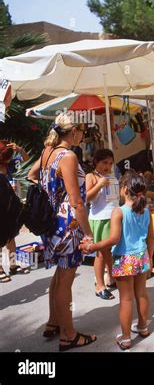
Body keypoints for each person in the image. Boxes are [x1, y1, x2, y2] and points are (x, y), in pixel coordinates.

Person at [27, 113, 97, 350]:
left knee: (59, 276)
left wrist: (50, 196)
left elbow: (31, 175)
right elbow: (77, 202)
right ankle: (68, 335)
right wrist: (88, 233)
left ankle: (53, 322)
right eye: (83, 132)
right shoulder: (68, 156)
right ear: (74, 131)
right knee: (66, 281)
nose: (83, 136)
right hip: (68, 226)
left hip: (51, 224)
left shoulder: (47, 151)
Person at [80, 171, 154, 351]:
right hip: (142, 256)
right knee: (142, 294)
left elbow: (113, 239)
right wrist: (149, 258)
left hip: (124, 259)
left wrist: (93, 247)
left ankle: (126, 338)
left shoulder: (118, 212)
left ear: (123, 190)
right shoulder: (146, 212)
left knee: (126, 299)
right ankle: (143, 328)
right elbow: (151, 238)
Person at [86, 149, 120, 300]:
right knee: (100, 253)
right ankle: (99, 285)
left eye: (110, 163)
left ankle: (111, 279)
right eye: (104, 163)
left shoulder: (112, 177)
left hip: (113, 217)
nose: (108, 166)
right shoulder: (91, 176)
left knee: (109, 253)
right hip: (100, 219)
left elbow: (115, 199)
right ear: (96, 162)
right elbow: (87, 197)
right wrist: (99, 184)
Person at [0, 141, 30, 282]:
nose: (11, 159)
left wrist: (19, 149)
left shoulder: (10, 165)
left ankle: (12, 265)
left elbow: (26, 160)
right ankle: (0, 269)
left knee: (11, 236)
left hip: (10, 207)